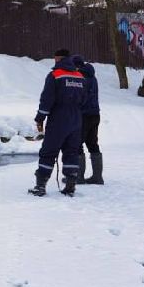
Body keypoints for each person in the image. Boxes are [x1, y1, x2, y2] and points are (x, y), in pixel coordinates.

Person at [28, 48, 88, 197]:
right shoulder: (80, 77)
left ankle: (40, 186)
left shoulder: (55, 75)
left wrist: (40, 117)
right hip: (76, 120)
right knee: (71, 151)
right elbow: (85, 99)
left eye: (55, 58)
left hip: (58, 120)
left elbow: (47, 99)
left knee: (48, 151)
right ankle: (70, 186)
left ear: (58, 58)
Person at [72, 55, 104, 185]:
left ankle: (78, 177)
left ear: (76, 66)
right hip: (95, 114)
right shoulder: (92, 76)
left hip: (84, 115)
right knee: (92, 143)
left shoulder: (80, 77)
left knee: (76, 144)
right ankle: (97, 177)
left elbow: (80, 98)